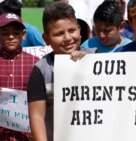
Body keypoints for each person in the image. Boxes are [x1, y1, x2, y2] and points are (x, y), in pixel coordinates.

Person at [27, 2, 90, 141]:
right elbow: (37, 116)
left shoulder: (97, 59)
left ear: (79, 30)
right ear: (46, 39)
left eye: (72, 30)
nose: (67, 38)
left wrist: (89, 63)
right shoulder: (41, 70)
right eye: (59, 34)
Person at [0, 12, 39, 141]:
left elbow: (42, 100)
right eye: (5, 33)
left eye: (16, 33)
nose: (10, 37)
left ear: (24, 35)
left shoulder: (36, 63)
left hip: (26, 136)